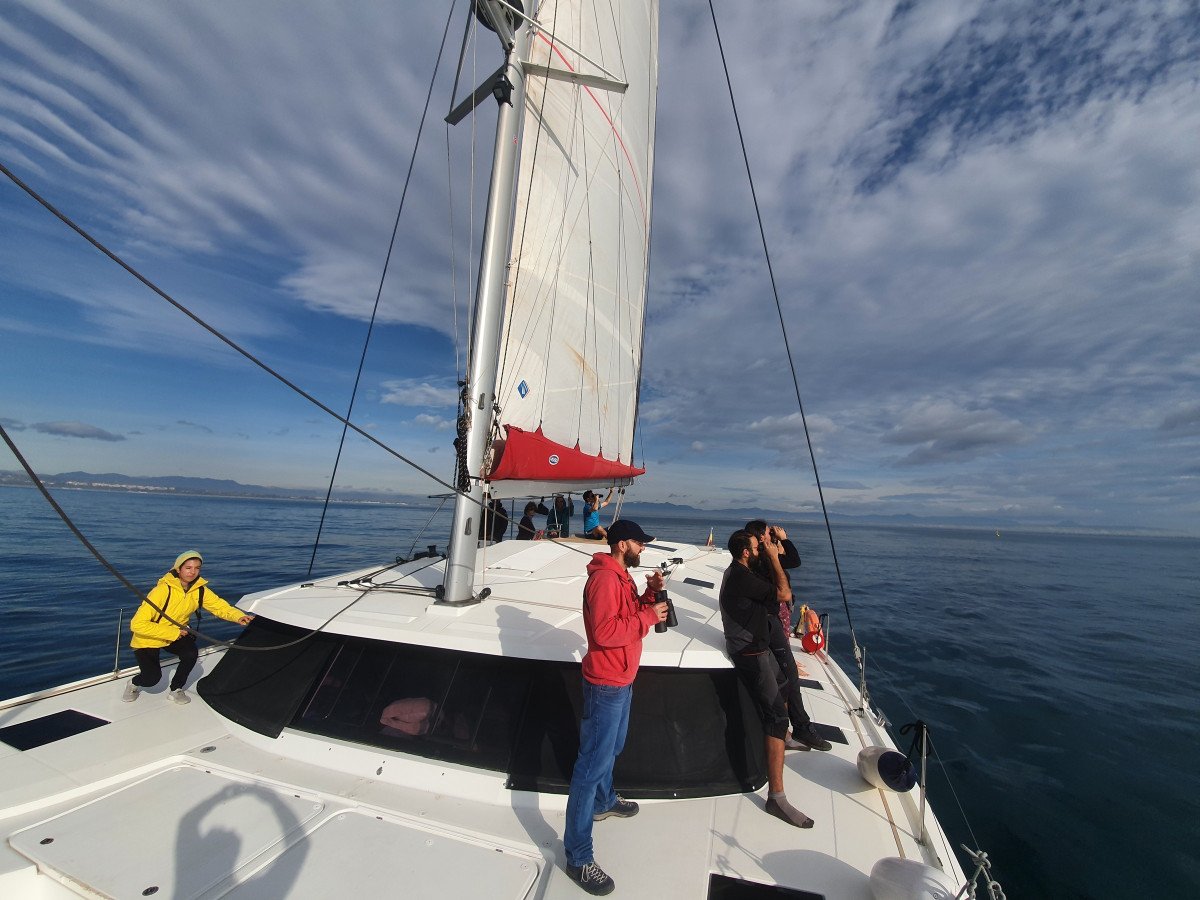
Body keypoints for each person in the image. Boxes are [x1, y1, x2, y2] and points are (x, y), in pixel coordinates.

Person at [564, 520, 667, 895]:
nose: (643, 550)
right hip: (606, 685)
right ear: (623, 544)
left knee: (614, 748)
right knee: (589, 768)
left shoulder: (621, 577)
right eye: (640, 544)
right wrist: (647, 617)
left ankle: (605, 801)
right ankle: (577, 857)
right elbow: (606, 632)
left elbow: (624, 617)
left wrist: (647, 596)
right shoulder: (606, 580)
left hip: (621, 680)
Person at [719, 530, 821, 829]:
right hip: (750, 652)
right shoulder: (740, 577)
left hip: (757, 646)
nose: (762, 549)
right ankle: (776, 797)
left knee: (785, 680)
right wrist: (775, 558)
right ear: (746, 552)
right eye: (757, 546)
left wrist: (775, 551)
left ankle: (786, 739)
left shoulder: (743, 570)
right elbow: (785, 594)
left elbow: (785, 575)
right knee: (777, 716)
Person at [123, 551, 254, 705]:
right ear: (178, 569)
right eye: (188, 568)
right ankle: (133, 684)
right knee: (151, 679)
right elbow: (137, 624)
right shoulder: (162, 591)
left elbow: (219, 606)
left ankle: (176, 689)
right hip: (149, 636)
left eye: (197, 568)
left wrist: (238, 616)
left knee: (190, 654)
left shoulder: (199, 589)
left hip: (176, 633)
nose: (193, 572)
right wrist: (173, 632)